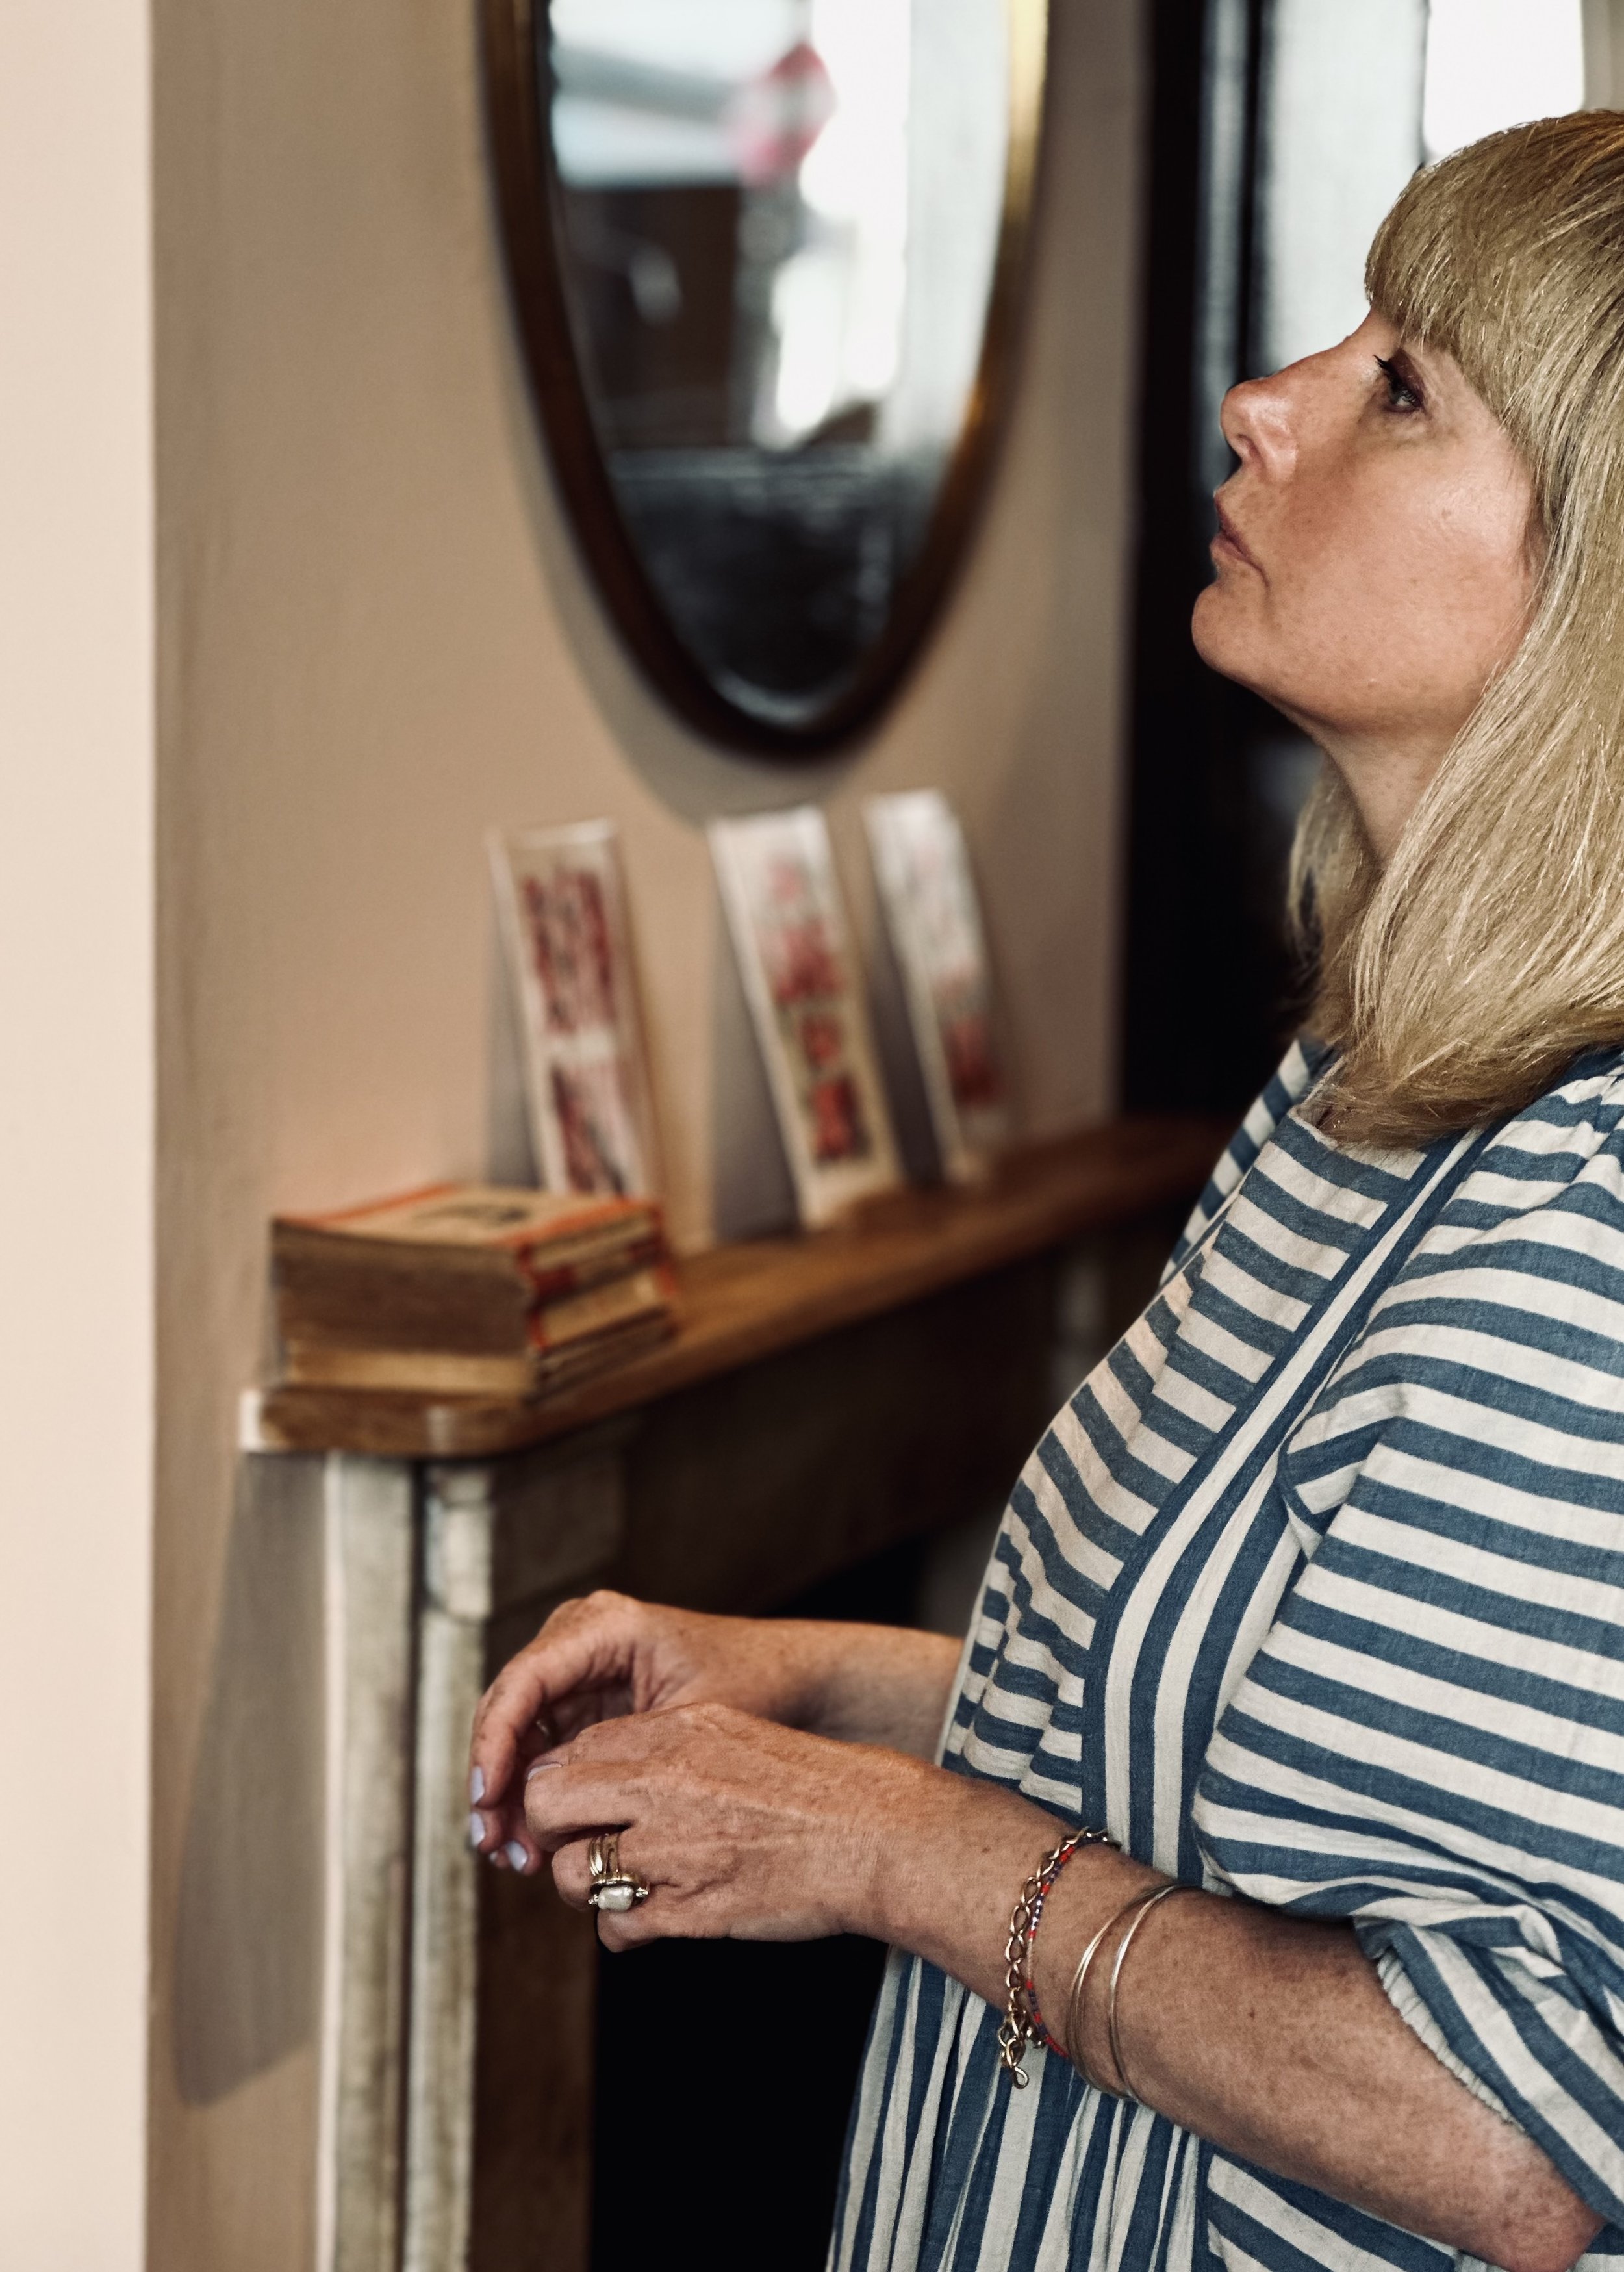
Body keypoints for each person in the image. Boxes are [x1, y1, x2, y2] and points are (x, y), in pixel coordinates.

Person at [468, 112, 1624, 2272]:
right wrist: (813, 1684)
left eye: (1402, 389)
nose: (1262, 401)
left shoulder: (1599, 1213)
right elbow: (1259, 1765)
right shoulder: (1367, 1088)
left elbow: (1514, 2123)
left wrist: (877, 1842)